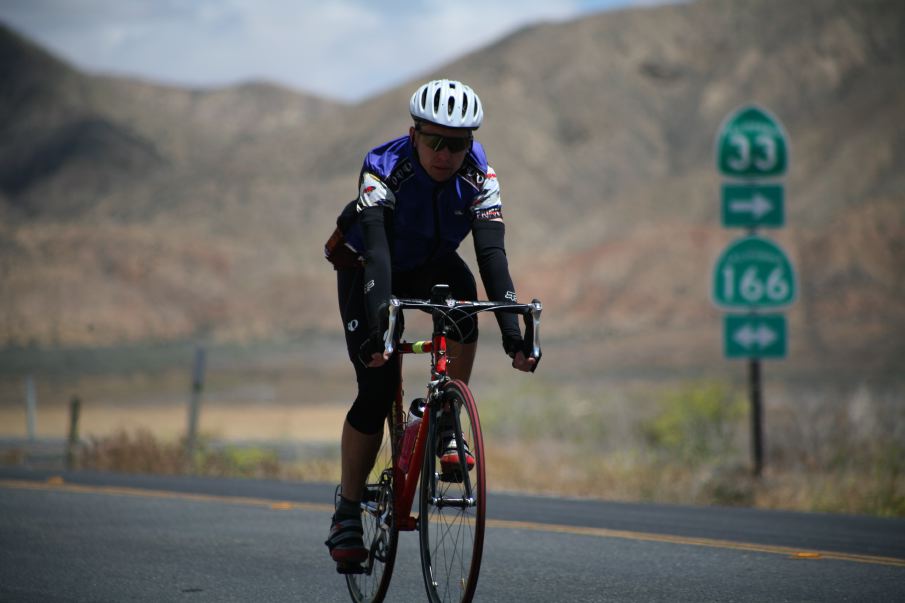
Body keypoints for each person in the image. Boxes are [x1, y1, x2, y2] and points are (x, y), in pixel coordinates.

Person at [323, 78, 535, 569]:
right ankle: (348, 512)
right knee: (376, 390)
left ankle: (443, 419)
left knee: (466, 308)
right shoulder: (383, 166)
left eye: (457, 144)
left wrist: (513, 337)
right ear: (413, 133)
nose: (444, 154)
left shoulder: (481, 175)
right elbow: (376, 253)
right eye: (434, 140)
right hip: (367, 266)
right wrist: (380, 328)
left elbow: (491, 256)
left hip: (433, 261)